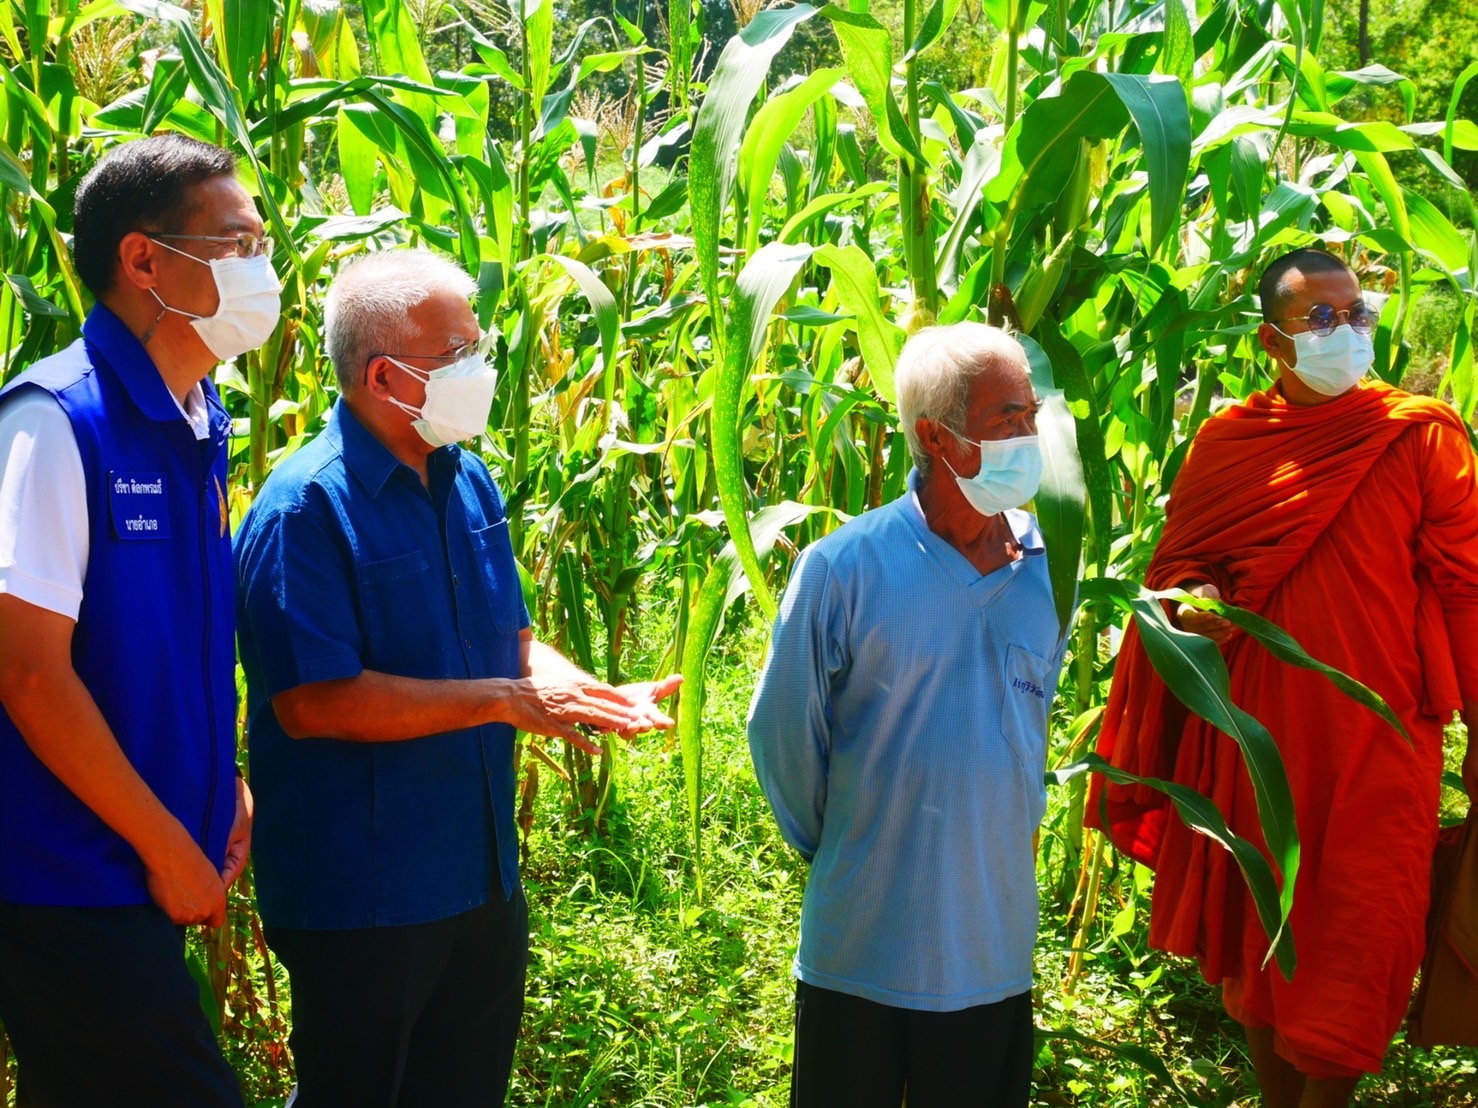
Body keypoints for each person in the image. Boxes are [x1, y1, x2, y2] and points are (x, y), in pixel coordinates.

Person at [233, 248, 681, 1107]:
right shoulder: (305, 509)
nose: (482, 368)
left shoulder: (466, 477)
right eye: (458, 354)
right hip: (363, 893)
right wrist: (512, 703)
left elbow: (506, 639)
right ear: (383, 376)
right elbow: (316, 703)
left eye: (480, 345)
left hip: (478, 877)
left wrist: (582, 690)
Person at [1089, 247, 1478, 1107]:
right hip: (1257, 738)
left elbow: (1467, 586)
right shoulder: (1232, 442)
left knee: (1362, 933)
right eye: (1322, 319)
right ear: (1273, 340)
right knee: (1263, 928)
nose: (1347, 333)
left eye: (1359, 315)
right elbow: (1184, 565)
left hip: (1381, 739)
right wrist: (1193, 599)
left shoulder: (1420, 434)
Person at [0, 134, 279, 1106]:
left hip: (136, 865)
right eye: (238, 242)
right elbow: (29, 675)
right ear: (145, 259)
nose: (262, 267)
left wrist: (223, 782)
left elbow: (175, 646)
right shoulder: (55, 424)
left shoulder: (197, 421)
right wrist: (166, 844)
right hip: (66, 875)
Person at [747, 323, 1067, 1108]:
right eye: (1007, 420)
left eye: (1033, 414)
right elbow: (784, 737)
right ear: (936, 434)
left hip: (992, 952)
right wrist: (864, 842)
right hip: (863, 949)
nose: (1031, 436)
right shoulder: (844, 568)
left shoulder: (1053, 574)